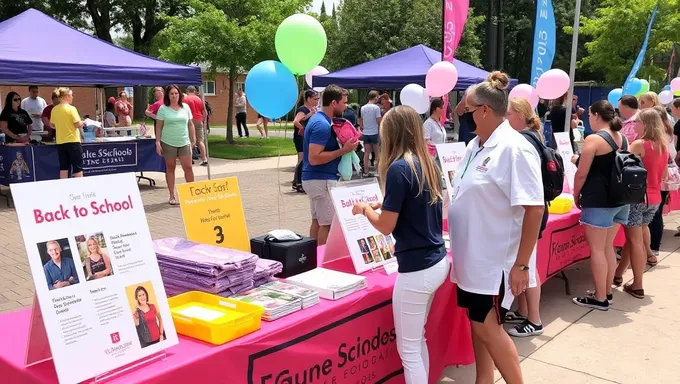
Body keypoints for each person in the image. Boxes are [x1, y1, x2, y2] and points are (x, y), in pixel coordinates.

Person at [449, 72, 544, 384]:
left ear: (485, 110)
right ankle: (483, 380)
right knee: (479, 326)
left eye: (467, 109)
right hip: (471, 261)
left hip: (493, 265)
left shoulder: (514, 148)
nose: (462, 115)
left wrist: (521, 264)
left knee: (489, 329)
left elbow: (534, 208)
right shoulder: (475, 145)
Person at [352, 105, 447, 384]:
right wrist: (385, 204)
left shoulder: (397, 168)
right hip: (436, 260)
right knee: (418, 341)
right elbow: (414, 202)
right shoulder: (426, 162)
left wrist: (364, 210)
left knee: (409, 350)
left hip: (416, 269)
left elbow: (385, 226)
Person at [571, 100, 629, 309]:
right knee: (608, 248)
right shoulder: (622, 137)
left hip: (599, 200)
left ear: (595, 115)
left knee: (597, 250)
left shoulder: (593, 139)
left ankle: (600, 297)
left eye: (589, 115)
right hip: (620, 199)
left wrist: (576, 195)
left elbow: (581, 173)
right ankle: (606, 292)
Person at [612, 109, 668, 299]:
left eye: (637, 122)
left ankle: (637, 284)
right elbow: (664, 175)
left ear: (645, 124)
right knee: (633, 238)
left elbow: (619, 163)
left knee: (635, 241)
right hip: (654, 198)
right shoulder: (662, 145)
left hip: (638, 198)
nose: (634, 125)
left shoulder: (639, 145)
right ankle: (619, 274)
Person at [504, 97, 546, 337]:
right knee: (528, 265)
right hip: (534, 206)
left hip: (531, 210)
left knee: (527, 267)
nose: (505, 119)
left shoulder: (522, 141)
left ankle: (534, 319)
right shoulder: (534, 136)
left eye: (508, 114)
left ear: (519, 115)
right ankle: (523, 311)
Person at [302, 85, 358, 245]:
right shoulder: (322, 125)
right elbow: (314, 158)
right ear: (334, 103)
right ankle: (321, 262)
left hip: (315, 179)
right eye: (344, 102)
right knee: (327, 224)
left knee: (318, 222)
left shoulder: (320, 120)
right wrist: (343, 150)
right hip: (321, 179)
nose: (346, 106)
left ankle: (311, 260)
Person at [155, 85, 196, 205]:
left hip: (184, 141)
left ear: (180, 94)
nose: (174, 96)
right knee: (171, 168)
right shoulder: (163, 109)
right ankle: (172, 195)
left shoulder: (186, 107)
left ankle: (191, 193)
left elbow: (190, 124)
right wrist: (158, 142)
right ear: (168, 95)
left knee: (188, 167)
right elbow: (159, 126)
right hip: (168, 142)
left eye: (176, 93)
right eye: (171, 94)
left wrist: (193, 139)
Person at [649, 106, 676, 259]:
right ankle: (654, 246)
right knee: (657, 213)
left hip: (657, 178)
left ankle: (652, 247)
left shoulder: (659, 137)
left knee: (654, 214)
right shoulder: (668, 134)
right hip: (663, 179)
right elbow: (672, 154)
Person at [51, 88, 85, 179]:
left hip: (60, 142)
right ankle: (79, 188)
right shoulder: (72, 109)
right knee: (77, 167)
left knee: (63, 167)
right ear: (66, 96)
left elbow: (52, 125)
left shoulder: (54, 109)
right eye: (71, 95)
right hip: (73, 141)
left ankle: (63, 188)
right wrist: (84, 122)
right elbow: (77, 124)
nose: (72, 97)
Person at [293, 90, 320, 193]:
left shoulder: (312, 109)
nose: (317, 101)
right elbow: (296, 121)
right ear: (308, 99)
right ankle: (297, 181)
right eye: (315, 99)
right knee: (302, 159)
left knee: (306, 158)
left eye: (318, 99)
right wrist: (304, 130)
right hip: (300, 138)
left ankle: (301, 180)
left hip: (307, 138)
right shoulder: (303, 109)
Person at [360, 90, 382, 177]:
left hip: (366, 132)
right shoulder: (376, 108)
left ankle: (366, 171)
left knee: (366, 153)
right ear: (375, 97)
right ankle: (378, 171)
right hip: (374, 132)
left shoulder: (363, 108)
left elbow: (361, 120)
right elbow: (378, 120)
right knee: (377, 153)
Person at [184, 86, 208, 166]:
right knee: (200, 141)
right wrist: (203, 120)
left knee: (189, 141)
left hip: (189, 121)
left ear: (187, 91)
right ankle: (204, 159)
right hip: (198, 120)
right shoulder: (199, 99)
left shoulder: (185, 99)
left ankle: (190, 159)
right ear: (194, 91)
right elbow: (205, 111)